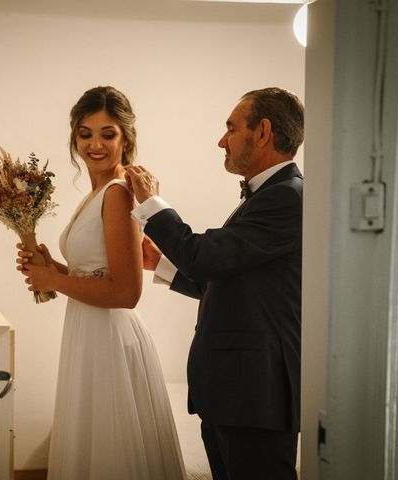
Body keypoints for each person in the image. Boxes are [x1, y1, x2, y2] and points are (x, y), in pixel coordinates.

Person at [125, 87, 304, 480]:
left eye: (230, 128)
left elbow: (204, 257)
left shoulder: (289, 197)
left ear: (263, 132)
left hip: (257, 395)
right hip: (233, 394)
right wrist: (162, 265)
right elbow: (226, 280)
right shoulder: (265, 197)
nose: (221, 141)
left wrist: (153, 204)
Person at [16, 86, 186, 480]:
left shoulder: (118, 193)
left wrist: (52, 280)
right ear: (74, 137)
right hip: (89, 330)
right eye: (85, 133)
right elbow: (93, 271)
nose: (95, 144)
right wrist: (50, 267)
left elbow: (126, 293)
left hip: (108, 336)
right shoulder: (97, 192)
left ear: (125, 138)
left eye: (107, 134)